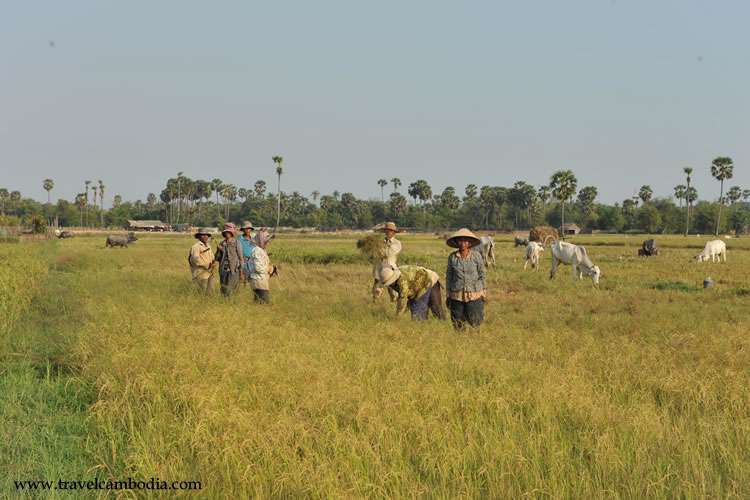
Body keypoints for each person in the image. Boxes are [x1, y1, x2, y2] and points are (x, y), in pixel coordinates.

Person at [445, 228, 486, 330]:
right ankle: (460, 341)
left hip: (474, 294)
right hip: (456, 295)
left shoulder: (476, 256)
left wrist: (484, 291)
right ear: (456, 242)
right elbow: (449, 276)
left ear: (469, 243)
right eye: (460, 240)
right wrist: (448, 293)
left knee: (476, 322)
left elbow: (482, 274)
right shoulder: (452, 257)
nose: (463, 243)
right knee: (457, 323)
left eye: (465, 241)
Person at [374, 263, 445, 321]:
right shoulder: (391, 279)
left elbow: (402, 300)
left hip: (428, 280)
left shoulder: (402, 281)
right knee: (416, 307)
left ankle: (425, 329)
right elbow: (399, 297)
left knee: (419, 310)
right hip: (416, 286)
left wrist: (397, 318)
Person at [372, 221, 403, 301]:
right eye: (386, 230)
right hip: (379, 266)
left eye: (389, 231)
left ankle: (394, 298)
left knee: (391, 287)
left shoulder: (397, 243)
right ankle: (375, 300)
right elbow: (377, 253)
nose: (387, 232)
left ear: (393, 232)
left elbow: (390, 252)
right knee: (376, 284)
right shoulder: (380, 242)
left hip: (390, 267)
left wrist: (384, 247)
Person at [214, 223, 243, 297]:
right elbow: (217, 258)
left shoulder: (237, 243)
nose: (227, 234)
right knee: (223, 288)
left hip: (233, 269)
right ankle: (224, 303)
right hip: (223, 269)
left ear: (232, 233)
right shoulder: (222, 243)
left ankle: (231, 302)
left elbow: (240, 258)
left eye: (229, 232)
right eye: (226, 232)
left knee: (231, 288)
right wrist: (218, 250)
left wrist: (241, 272)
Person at [188, 227, 216, 294]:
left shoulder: (208, 246)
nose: (205, 237)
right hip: (201, 272)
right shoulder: (196, 247)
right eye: (202, 235)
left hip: (210, 271)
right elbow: (195, 260)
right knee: (202, 291)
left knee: (210, 291)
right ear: (198, 237)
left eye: (206, 235)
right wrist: (206, 265)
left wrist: (213, 264)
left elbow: (212, 257)